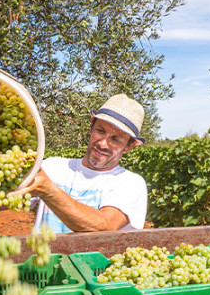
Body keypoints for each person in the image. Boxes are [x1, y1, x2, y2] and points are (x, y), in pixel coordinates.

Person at [13, 94, 148, 233]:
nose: (102, 144)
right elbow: (10, 199)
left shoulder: (130, 183)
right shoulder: (52, 167)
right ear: (91, 128)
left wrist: (48, 190)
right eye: (100, 131)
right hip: (43, 255)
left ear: (128, 146)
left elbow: (105, 226)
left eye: (115, 139)